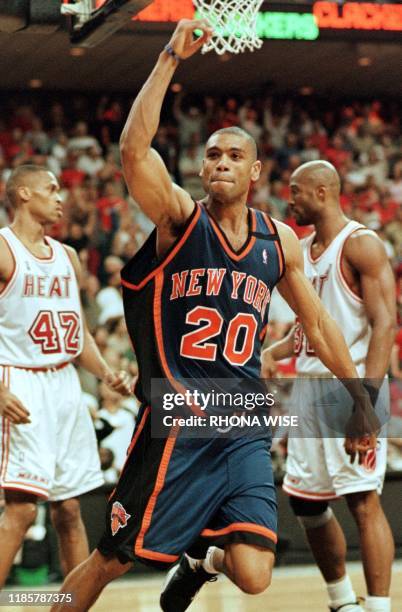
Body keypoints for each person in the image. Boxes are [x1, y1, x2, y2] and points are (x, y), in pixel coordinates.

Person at [51, 20, 377, 612]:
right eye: (212, 155)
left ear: (255, 173)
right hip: (178, 413)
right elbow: (132, 151)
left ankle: (200, 560)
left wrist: (358, 393)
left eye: (235, 155)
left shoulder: (279, 241)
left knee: (254, 574)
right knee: (113, 558)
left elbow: (321, 325)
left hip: (243, 419)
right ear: (201, 171)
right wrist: (171, 56)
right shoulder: (180, 217)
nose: (221, 162)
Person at [261, 160, 396, 612]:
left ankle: (378, 606)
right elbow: (307, 326)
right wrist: (271, 354)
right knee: (306, 503)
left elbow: (384, 325)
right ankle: (343, 602)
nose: (290, 199)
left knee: (362, 500)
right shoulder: (299, 248)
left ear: (321, 193)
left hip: (351, 384)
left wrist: (369, 403)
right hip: (308, 386)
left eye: (296, 191)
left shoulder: (361, 245)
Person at [0, 164, 131, 588]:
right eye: (51, 189)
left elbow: (78, 335)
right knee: (20, 510)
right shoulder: (3, 250)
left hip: (64, 386)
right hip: (20, 381)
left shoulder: (68, 256)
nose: (61, 198)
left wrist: (107, 373)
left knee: (69, 509)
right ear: (22, 194)